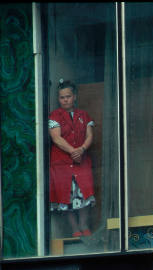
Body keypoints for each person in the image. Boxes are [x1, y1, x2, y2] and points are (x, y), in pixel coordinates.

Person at [49, 80, 96, 237]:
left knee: (84, 192)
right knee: (66, 196)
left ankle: (84, 225)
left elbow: (89, 135)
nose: (65, 100)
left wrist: (81, 149)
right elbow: (56, 138)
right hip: (61, 164)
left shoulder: (84, 115)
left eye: (68, 96)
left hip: (81, 162)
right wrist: (73, 151)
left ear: (74, 97)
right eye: (62, 97)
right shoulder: (54, 115)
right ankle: (75, 229)